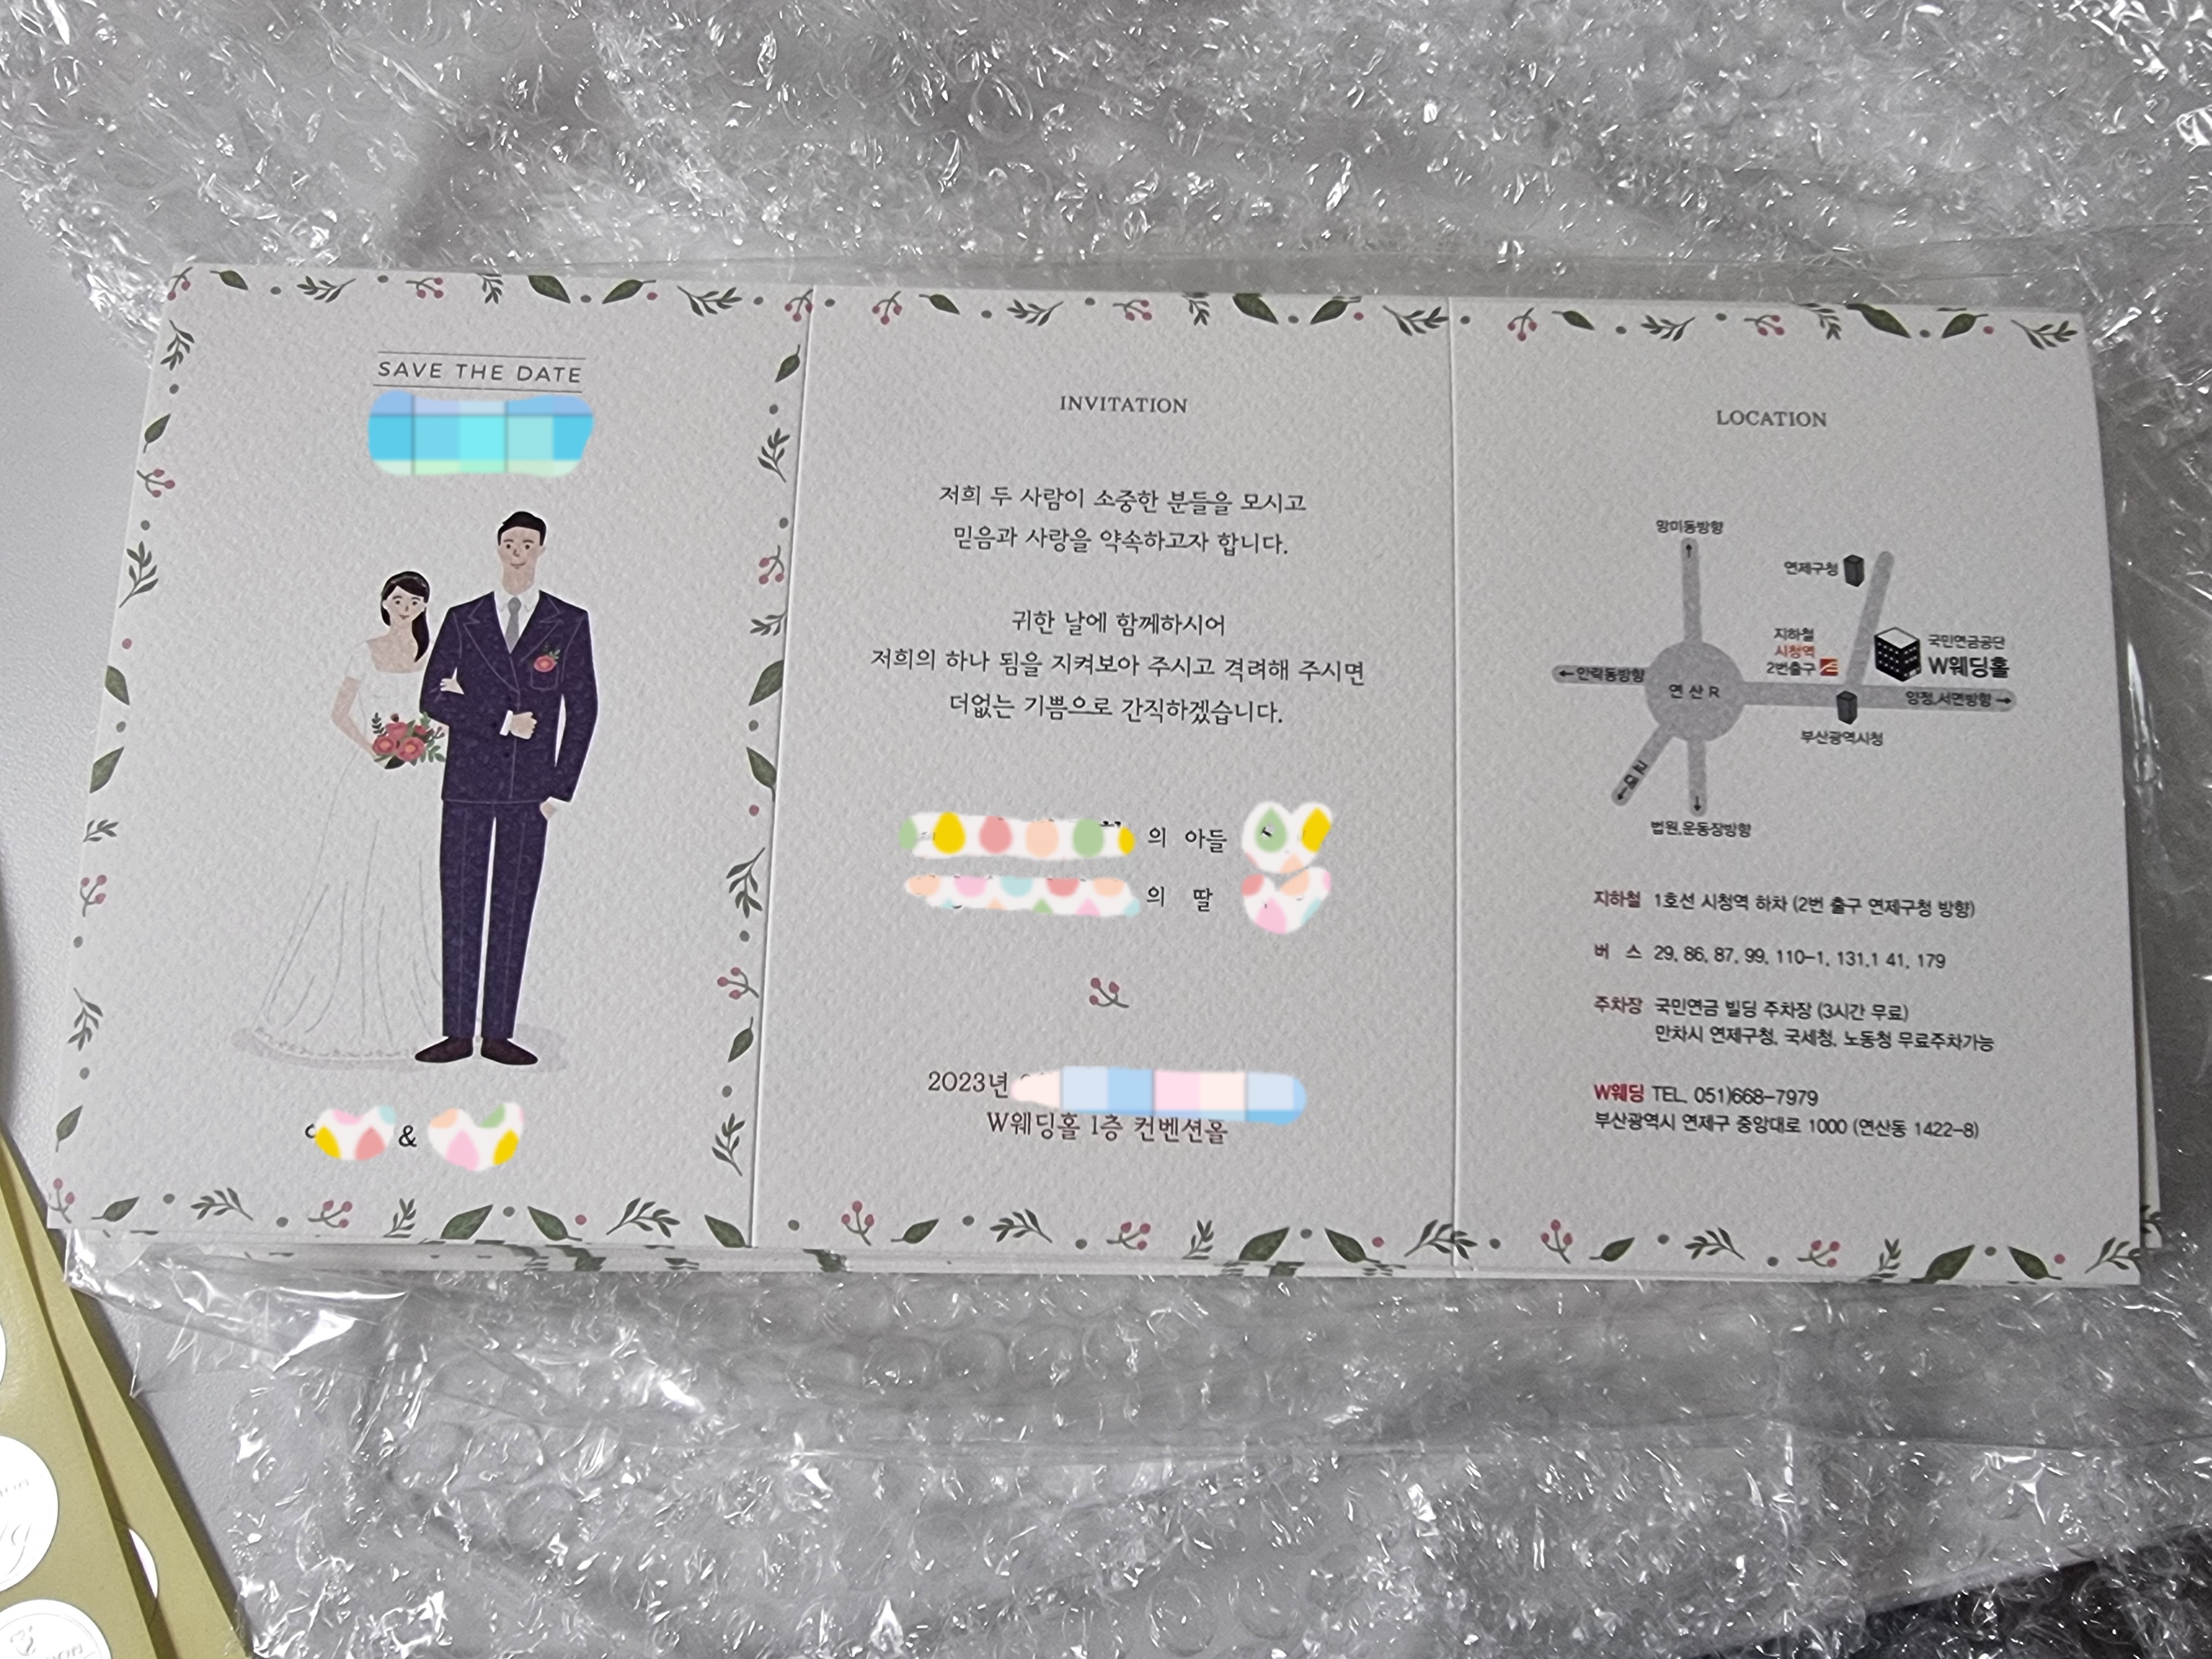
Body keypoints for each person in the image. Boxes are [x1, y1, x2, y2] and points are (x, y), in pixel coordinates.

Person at [416, 511, 597, 1066]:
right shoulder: (464, 618)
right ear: (498, 548)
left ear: (541, 549)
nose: (518, 550)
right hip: (468, 783)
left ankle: (497, 1033)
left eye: (528, 543)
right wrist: (499, 720)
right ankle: (456, 1032)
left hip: (531, 788)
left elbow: (583, 707)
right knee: (461, 905)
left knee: (513, 907)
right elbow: (433, 697)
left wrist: (560, 788)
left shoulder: (568, 621)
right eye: (510, 542)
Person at [253, 572, 442, 1060]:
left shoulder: (434, 654)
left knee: (412, 880)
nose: (405, 607)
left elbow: (446, 709)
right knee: (355, 880)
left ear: (424, 607)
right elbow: (340, 713)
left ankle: (418, 1004)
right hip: (372, 775)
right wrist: (375, 748)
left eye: (414, 601)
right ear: (385, 603)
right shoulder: (366, 651)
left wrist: (426, 741)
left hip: (419, 778)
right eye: (397, 599)